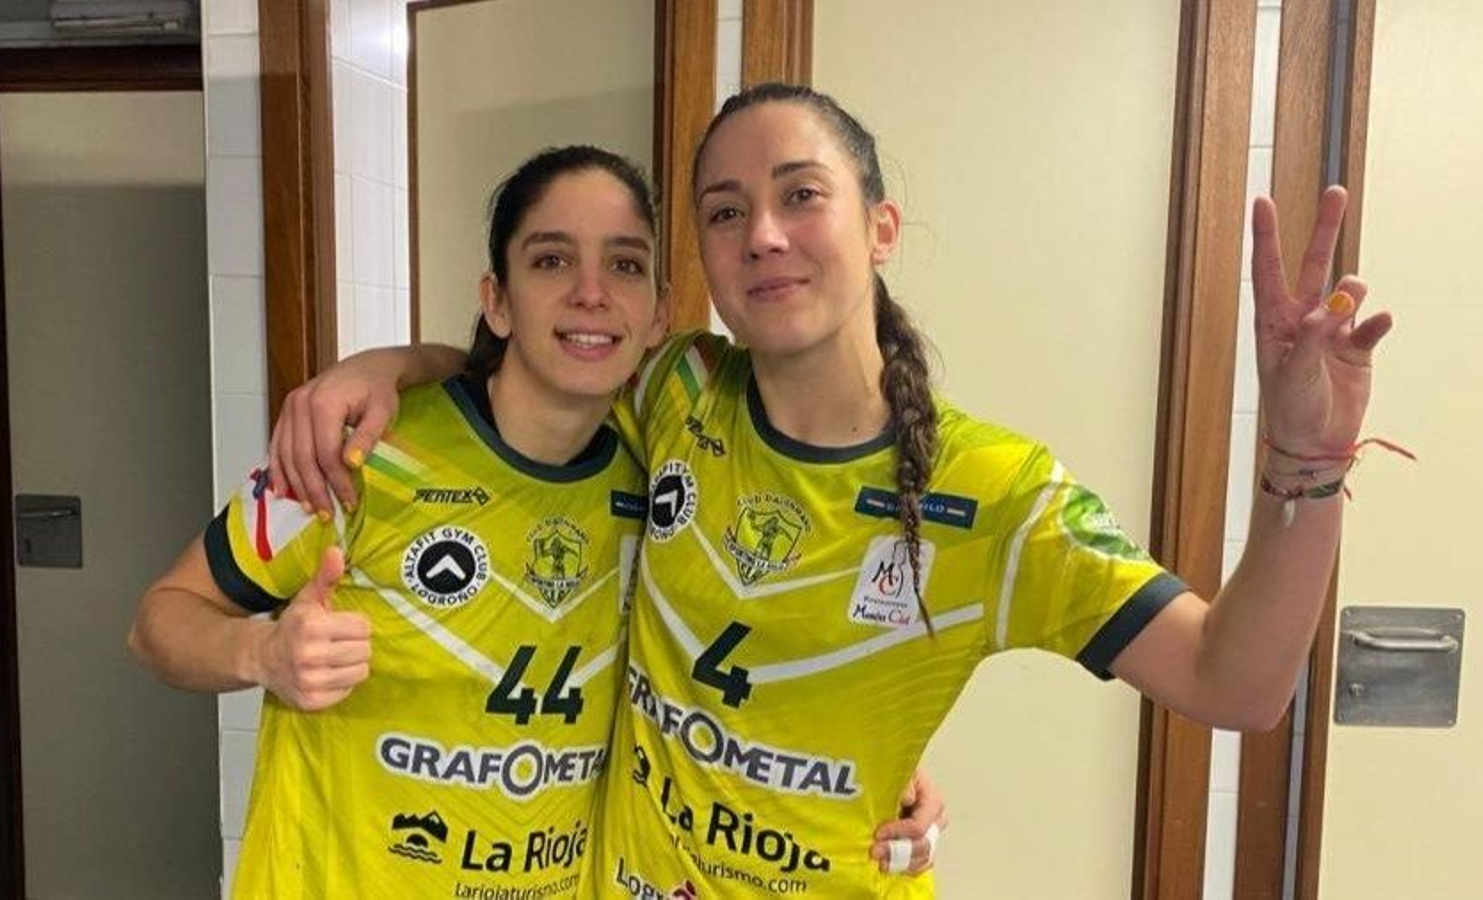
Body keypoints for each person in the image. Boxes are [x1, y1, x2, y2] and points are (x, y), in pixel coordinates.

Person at [265, 84, 1395, 897]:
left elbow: (1237, 685)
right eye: (722, 210)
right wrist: (386, 367)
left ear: (881, 228)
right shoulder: (671, 392)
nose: (761, 233)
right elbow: (548, 353)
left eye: (801, 195)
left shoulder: (997, 495)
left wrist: (1305, 468)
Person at [131, 144, 940, 898]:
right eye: (551, 260)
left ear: (658, 314)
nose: (591, 292)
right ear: (497, 301)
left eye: (623, 264)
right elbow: (159, 622)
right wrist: (261, 652)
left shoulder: (663, 473)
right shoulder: (360, 456)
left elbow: (739, 661)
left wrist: (879, 767)